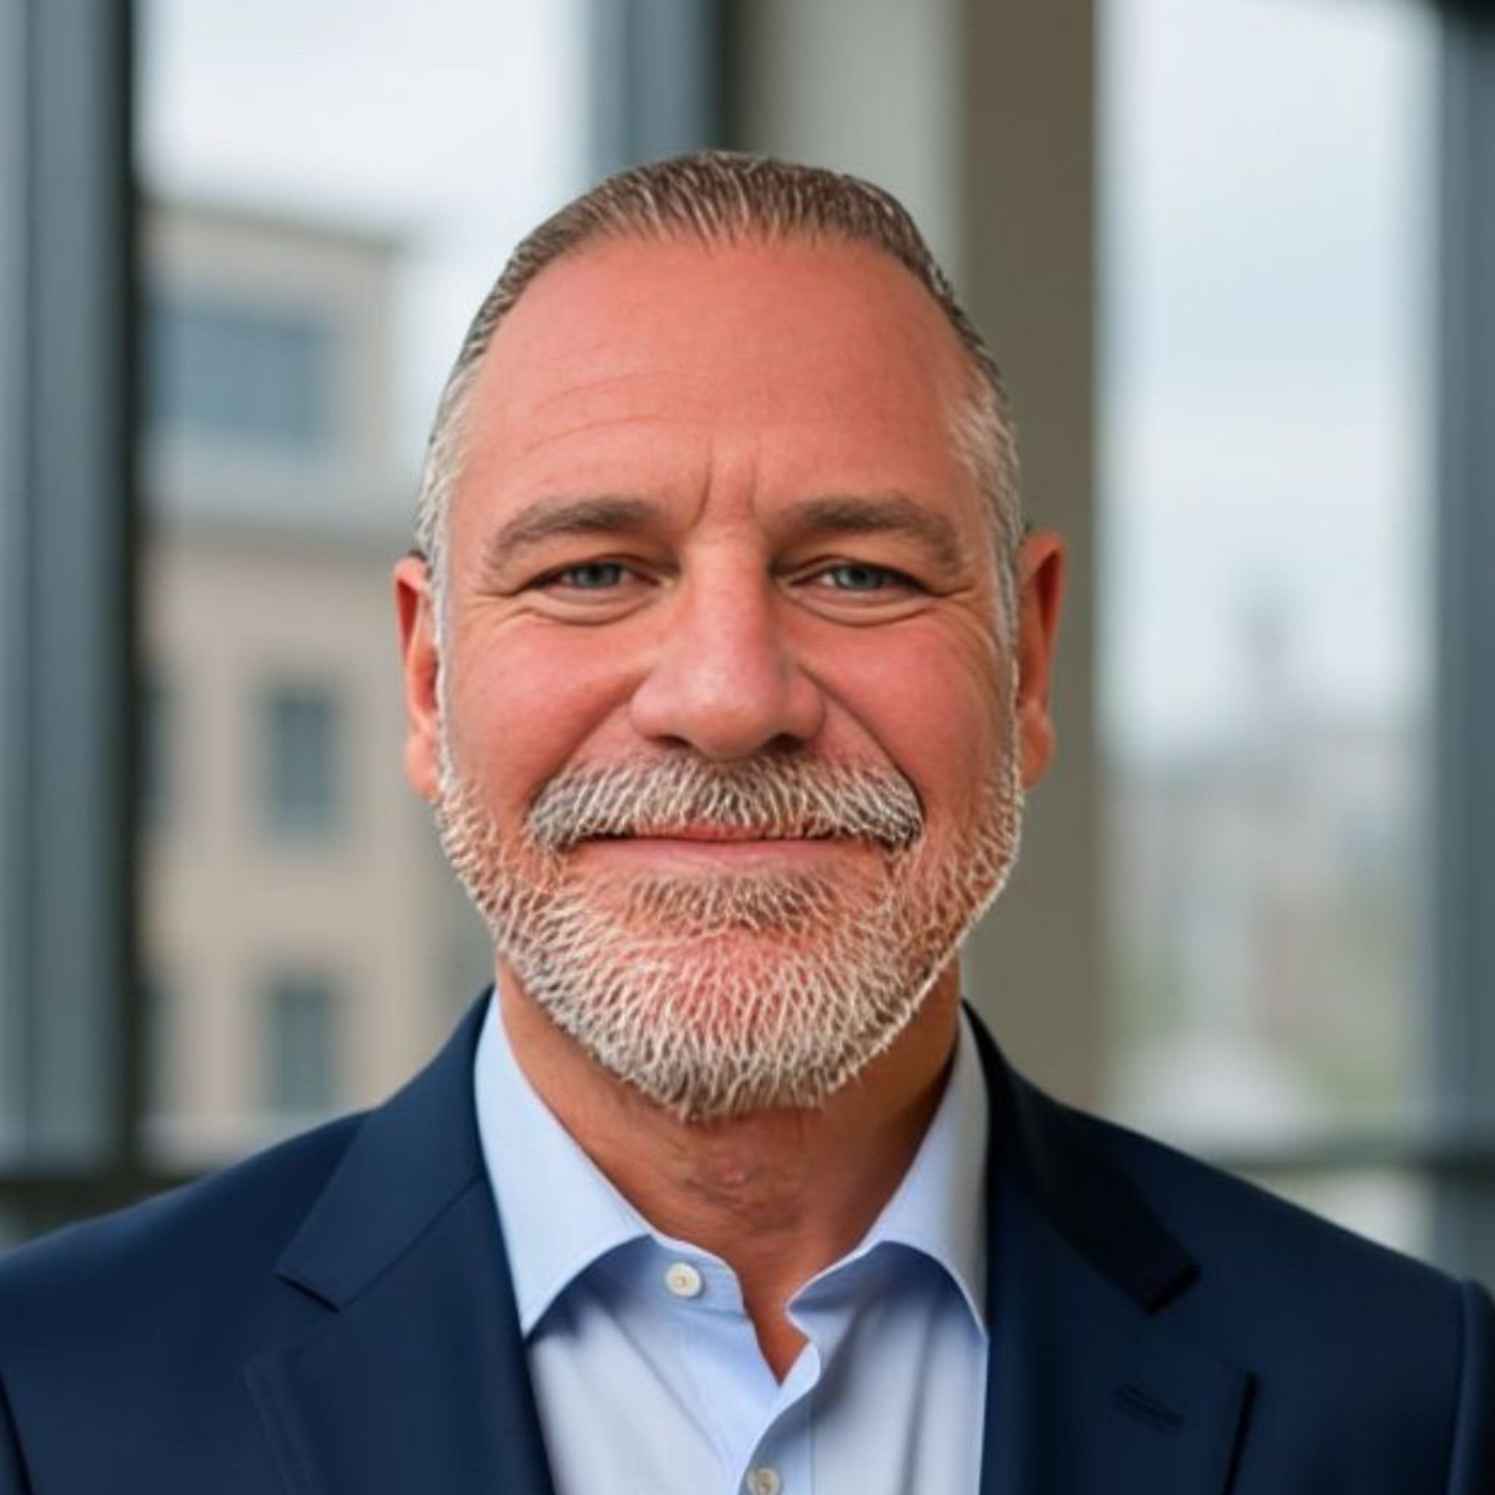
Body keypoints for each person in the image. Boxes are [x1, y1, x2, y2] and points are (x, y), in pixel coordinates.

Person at [0, 152, 1489, 1495]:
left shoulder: (1407, 1404)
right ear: (428, 675)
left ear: (1025, 663)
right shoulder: (48, 1399)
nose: (725, 698)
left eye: (853, 572)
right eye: (592, 570)